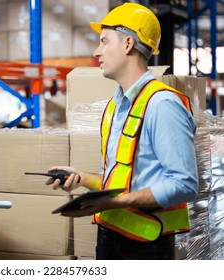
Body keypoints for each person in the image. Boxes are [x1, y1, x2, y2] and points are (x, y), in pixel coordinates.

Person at [46, 3, 198, 260]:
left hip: (146, 247)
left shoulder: (162, 105)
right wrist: (82, 178)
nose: (97, 51)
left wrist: (115, 203)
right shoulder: (116, 106)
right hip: (110, 237)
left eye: (104, 41)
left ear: (127, 44)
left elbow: (184, 184)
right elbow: (122, 179)